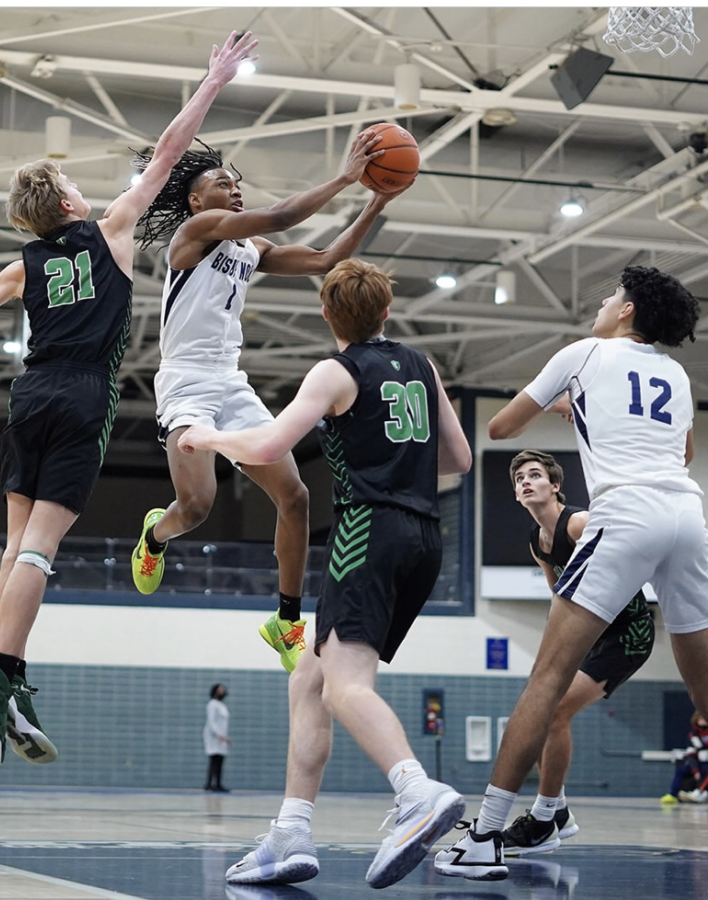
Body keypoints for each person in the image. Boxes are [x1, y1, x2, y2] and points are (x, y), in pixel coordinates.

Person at [0, 30, 259, 768]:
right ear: (64, 200)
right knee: (42, 550)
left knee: (20, 538)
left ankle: (5, 674)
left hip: (30, 397)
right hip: (84, 395)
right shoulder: (111, 229)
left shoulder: (22, 268)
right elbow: (167, 150)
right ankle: (5, 677)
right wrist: (212, 79)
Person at [178, 258, 472, 889]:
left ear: (326, 313)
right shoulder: (423, 365)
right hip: (425, 536)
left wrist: (207, 436)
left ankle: (417, 793)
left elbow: (263, 446)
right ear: (386, 309)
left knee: (346, 687)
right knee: (309, 678)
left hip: (368, 530)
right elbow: (460, 458)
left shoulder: (336, 371)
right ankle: (291, 830)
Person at [435, 265, 708, 882]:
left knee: (546, 683)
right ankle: (545, 813)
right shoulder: (676, 373)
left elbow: (502, 427)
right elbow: (683, 452)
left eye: (611, 296)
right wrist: (586, 409)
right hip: (687, 515)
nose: (602, 304)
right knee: (704, 700)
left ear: (628, 310)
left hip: (626, 515)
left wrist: (565, 398)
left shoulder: (583, 353)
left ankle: (485, 836)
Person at [128, 132, 405, 674]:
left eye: (237, 183)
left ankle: (285, 619)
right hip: (185, 383)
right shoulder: (195, 232)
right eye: (221, 183)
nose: (234, 189)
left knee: (296, 498)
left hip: (231, 384)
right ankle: (155, 536)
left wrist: (377, 201)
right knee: (198, 507)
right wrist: (347, 177)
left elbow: (327, 258)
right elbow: (280, 217)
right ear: (194, 200)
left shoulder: (248, 250)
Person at [501, 450, 655, 854]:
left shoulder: (580, 524)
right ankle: (559, 812)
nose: (525, 482)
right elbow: (560, 600)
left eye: (534, 475)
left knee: (555, 711)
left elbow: (636, 544)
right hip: (590, 635)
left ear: (555, 486)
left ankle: (545, 818)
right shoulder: (538, 543)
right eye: (519, 480)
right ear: (517, 496)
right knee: (538, 707)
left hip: (628, 632)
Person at [660, 710, 708, 804]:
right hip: (698, 762)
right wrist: (695, 770)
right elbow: (691, 755)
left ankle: (699, 792)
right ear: (696, 720)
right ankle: (673, 794)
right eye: (701, 719)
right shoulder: (693, 735)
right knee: (681, 770)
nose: (704, 721)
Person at [204, 682, 231, 792]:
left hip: (221, 736)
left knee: (220, 760)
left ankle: (218, 784)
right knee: (214, 760)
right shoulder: (212, 704)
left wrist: (224, 736)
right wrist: (218, 734)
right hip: (214, 736)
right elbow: (211, 721)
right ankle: (209, 784)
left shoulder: (222, 706)